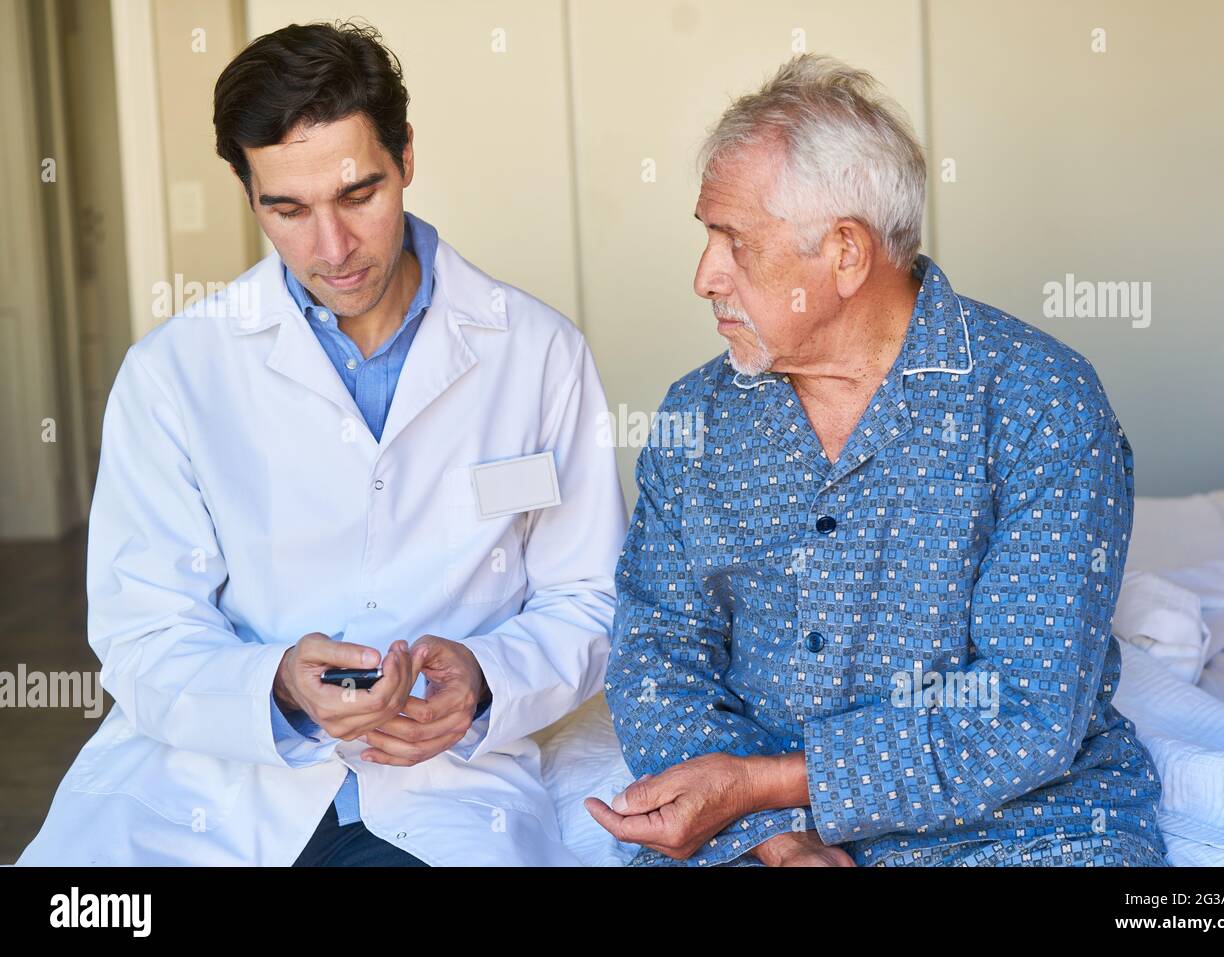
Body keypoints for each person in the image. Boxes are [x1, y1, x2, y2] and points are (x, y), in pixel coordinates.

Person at [19, 21, 625, 866]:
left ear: (405, 157)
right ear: (248, 192)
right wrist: (275, 685)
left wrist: (486, 676)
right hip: (213, 795)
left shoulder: (537, 353)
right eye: (288, 209)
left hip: (444, 789)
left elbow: (591, 597)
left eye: (357, 195)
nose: (332, 249)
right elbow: (142, 629)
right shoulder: (174, 374)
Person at [586, 54, 1166, 867]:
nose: (704, 275)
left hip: (1024, 828)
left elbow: (1030, 709)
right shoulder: (698, 417)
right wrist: (774, 838)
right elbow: (656, 655)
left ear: (847, 255)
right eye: (705, 234)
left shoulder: (1041, 403)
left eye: (735, 241)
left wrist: (768, 781)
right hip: (756, 838)